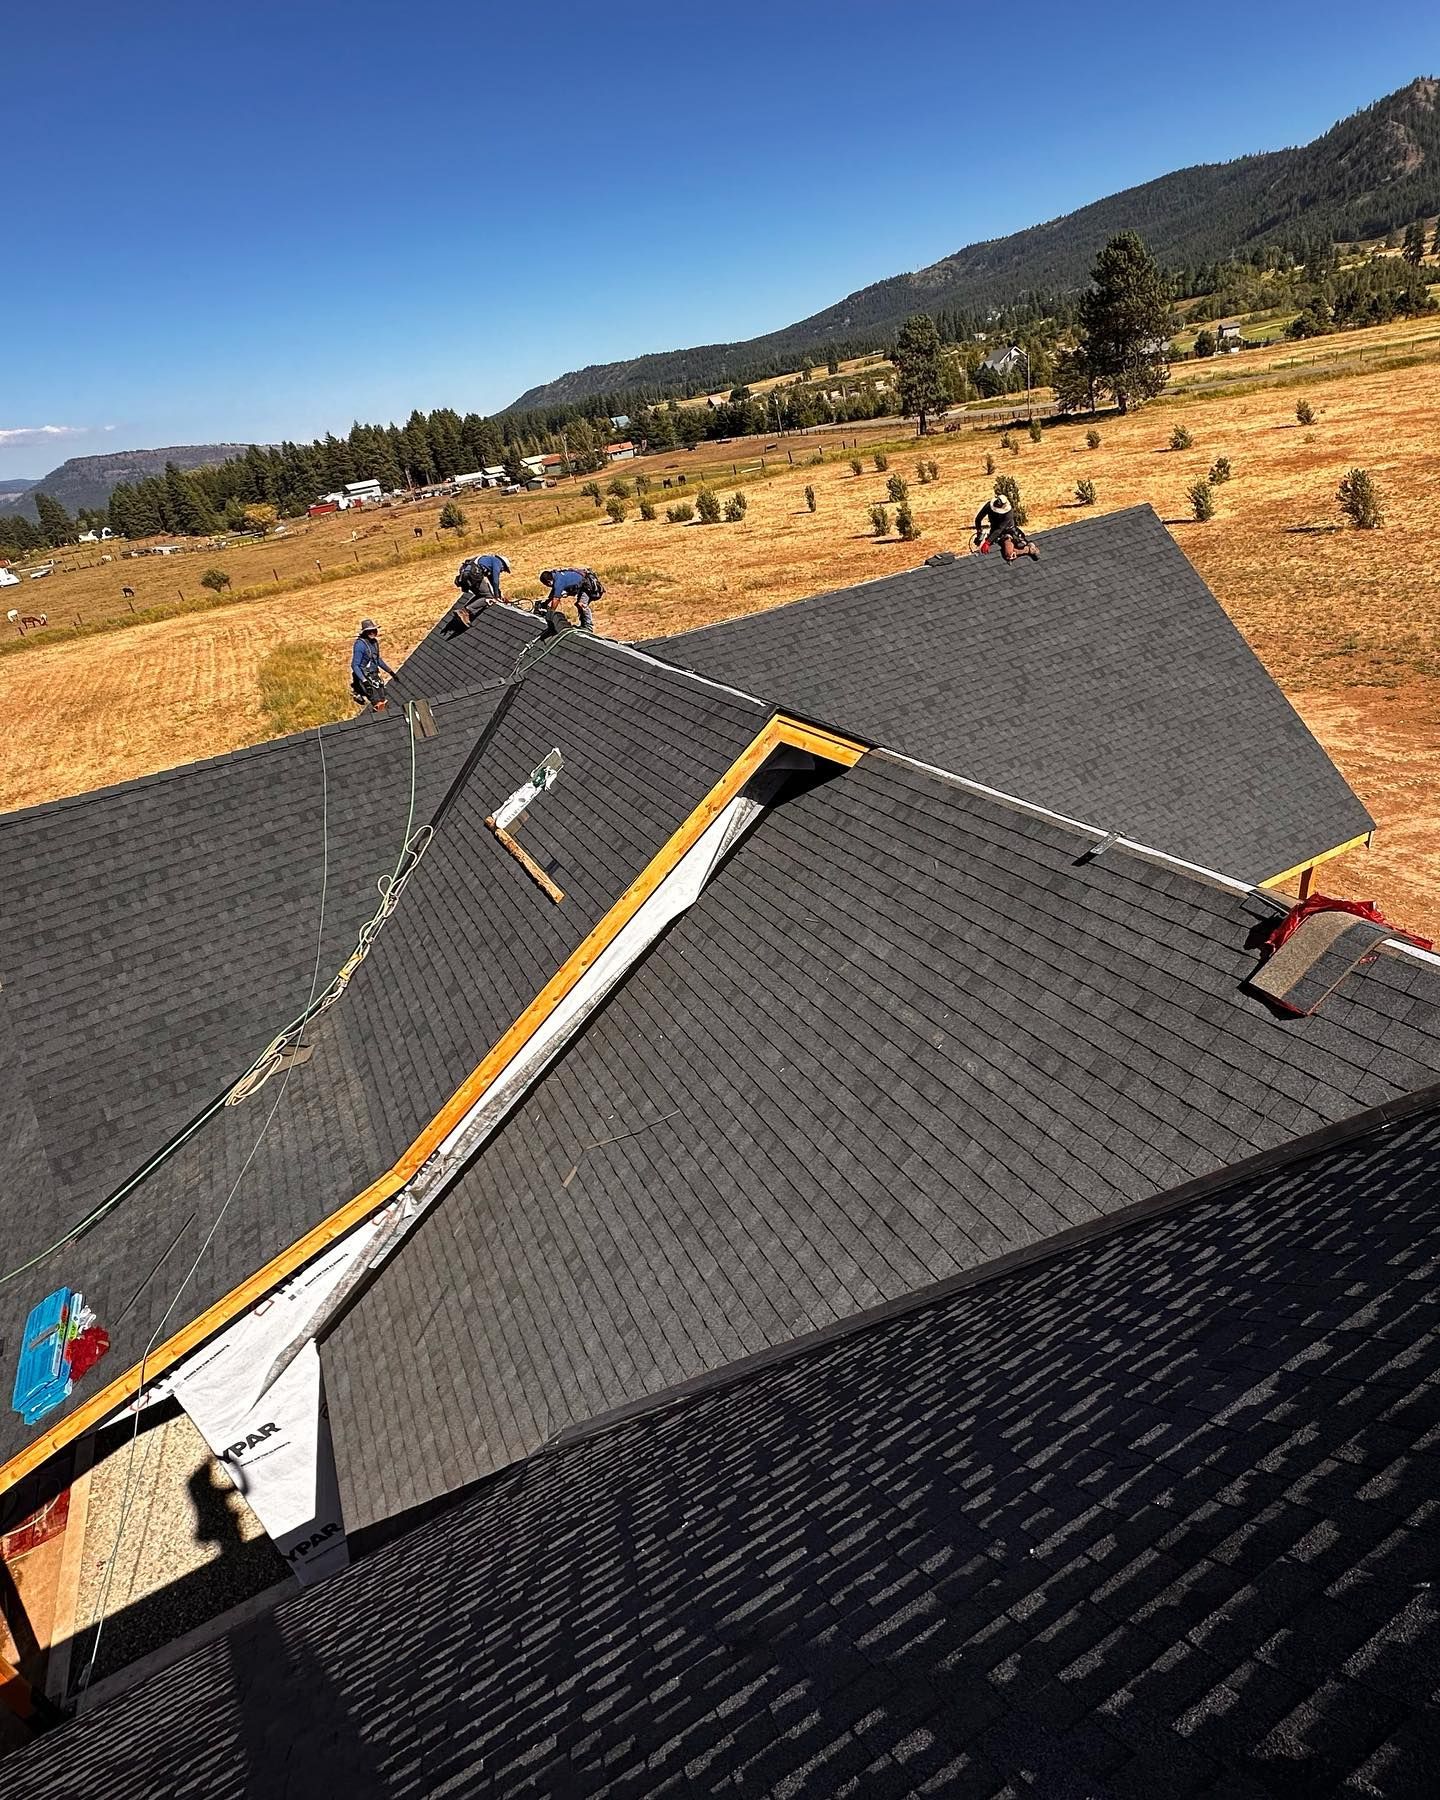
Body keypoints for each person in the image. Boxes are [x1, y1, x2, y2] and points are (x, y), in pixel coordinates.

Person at [973, 492, 1039, 561]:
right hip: (994, 530)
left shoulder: (1008, 513)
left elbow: (1000, 529)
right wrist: (979, 531)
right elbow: (978, 519)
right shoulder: (989, 506)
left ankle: (1028, 549)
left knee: (1008, 555)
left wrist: (988, 542)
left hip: (1008, 532)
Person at [538, 567, 604, 631]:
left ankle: (588, 626)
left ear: (549, 582)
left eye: (546, 585)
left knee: (581, 604)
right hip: (582, 585)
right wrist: (544, 605)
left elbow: (556, 599)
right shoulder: (555, 576)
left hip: (587, 586)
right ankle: (583, 625)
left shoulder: (559, 582)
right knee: (579, 605)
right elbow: (552, 597)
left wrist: (551, 612)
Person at [351, 618, 396, 710]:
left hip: (374, 676)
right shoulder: (360, 645)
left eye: (374, 630)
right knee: (378, 703)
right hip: (364, 676)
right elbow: (355, 665)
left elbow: (377, 659)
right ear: (364, 633)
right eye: (369, 631)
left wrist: (390, 672)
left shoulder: (374, 643)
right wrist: (364, 681)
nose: (372, 633)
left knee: (384, 700)